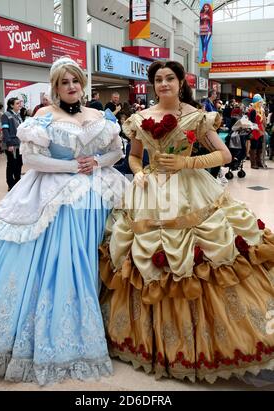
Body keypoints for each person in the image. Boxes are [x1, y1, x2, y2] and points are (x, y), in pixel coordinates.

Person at [99, 60, 274, 386]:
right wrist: (138, 174)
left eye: (170, 78)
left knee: (204, 257)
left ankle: (217, 339)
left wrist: (186, 161)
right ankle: (153, 340)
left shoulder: (196, 115)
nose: (163, 84)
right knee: (147, 260)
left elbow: (223, 155)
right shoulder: (139, 119)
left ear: (181, 83)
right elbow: (135, 156)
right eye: (158, 79)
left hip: (191, 189)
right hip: (151, 193)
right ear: (153, 85)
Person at [0, 57, 126, 385]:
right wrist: (73, 168)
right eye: (64, 82)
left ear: (82, 84)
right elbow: (30, 159)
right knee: (60, 261)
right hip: (56, 196)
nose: (71, 87)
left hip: (99, 193)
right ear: (55, 87)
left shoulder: (100, 115)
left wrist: (96, 162)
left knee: (100, 255)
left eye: (75, 81)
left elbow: (117, 151)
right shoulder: (43, 116)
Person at [1, 97, 23, 191]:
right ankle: (10, 184)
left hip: (19, 144)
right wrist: (9, 144)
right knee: (11, 164)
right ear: (11, 105)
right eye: (17, 103)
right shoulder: (6, 115)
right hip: (11, 144)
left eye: (19, 103)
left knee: (19, 163)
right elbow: (5, 130)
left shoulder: (18, 115)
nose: (20, 105)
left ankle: (18, 181)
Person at [248, 94, 267, 169]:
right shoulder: (253, 111)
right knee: (254, 147)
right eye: (260, 102)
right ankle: (253, 163)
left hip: (260, 131)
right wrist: (258, 130)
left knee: (259, 147)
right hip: (255, 132)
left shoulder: (260, 111)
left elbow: (262, 122)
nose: (261, 104)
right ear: (256, 102)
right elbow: (252, 123)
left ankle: (258, 162)